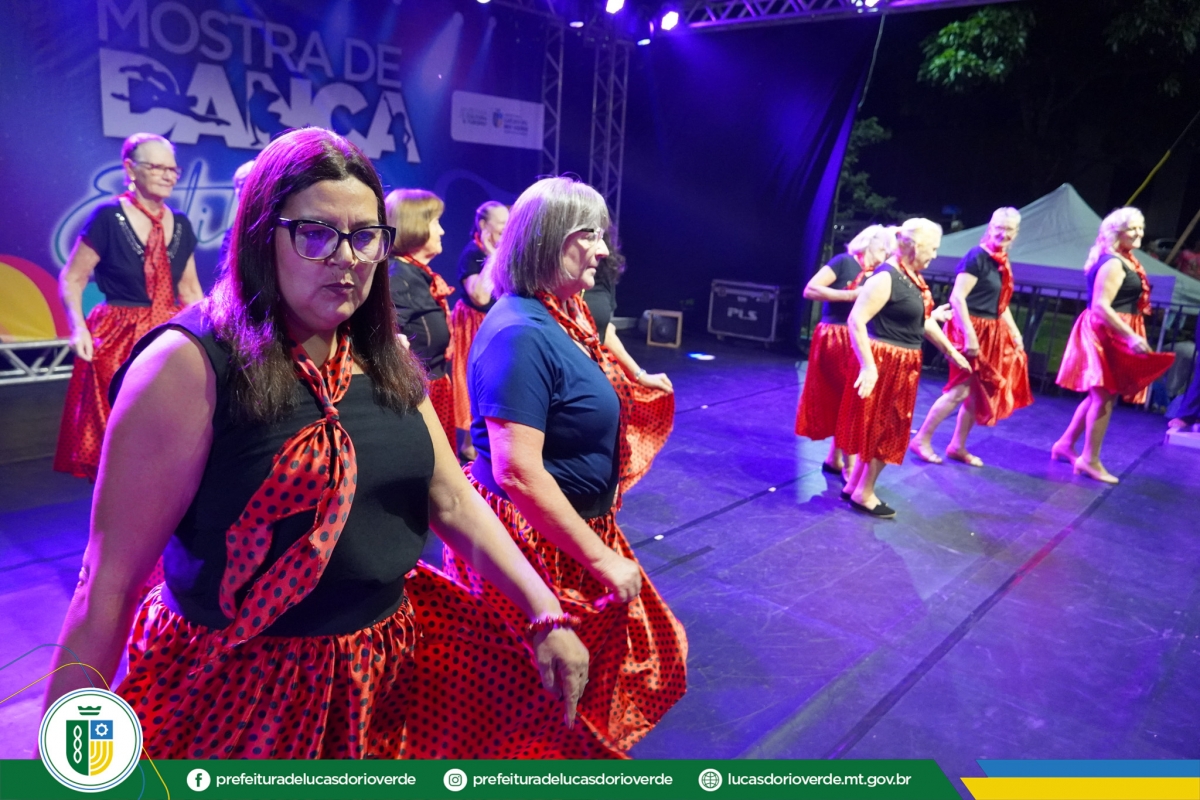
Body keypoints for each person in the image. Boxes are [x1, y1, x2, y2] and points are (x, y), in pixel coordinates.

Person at [39, 129, 592, 760]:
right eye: (316, 234)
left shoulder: (385, 356)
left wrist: (544, 611)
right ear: (261, 236)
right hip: (242, 700)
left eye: (365, 236)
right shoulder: (185, 365)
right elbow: (107, 583)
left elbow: (453, 499)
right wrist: (63, 761)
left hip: (382, 685)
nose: (347, 258)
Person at [444, 176, 688, 754]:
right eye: (590, 237)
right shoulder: (520, 332)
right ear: (550, 241)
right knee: (533, 712)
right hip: (534, 545)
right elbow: (517, 472)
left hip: (565, 534)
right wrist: (601, 557)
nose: (602, 251)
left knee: (575, 703)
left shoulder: (561, 316)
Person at [54, 133, 203, 480]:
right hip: (117, 337)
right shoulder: (108, 216)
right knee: (115, 438)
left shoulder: (181, 223)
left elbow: (190, 289)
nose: (168, 175)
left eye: (173, 169)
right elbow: (73, 277)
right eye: (157, 167)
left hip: (165, 336)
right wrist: (78, 327)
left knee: (168, 434)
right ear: (130, 169)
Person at [837, 218, 971, 518]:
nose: (935, 255)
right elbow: (856, 320)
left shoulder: (911, 278)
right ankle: (864, 493)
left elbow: (923, 321)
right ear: (914, 246)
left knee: (883, 429)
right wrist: (869, 366)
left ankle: (856, 486)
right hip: (887, 361)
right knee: (886, 431)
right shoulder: (886, 278)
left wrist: (950, 350)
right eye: (932, 248)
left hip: (903, 362)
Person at [1052, 207, 1175, 483]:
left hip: (1113, 329)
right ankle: (1089, 460)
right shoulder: (1113, 263)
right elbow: (1101, 306)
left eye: (1141, 227)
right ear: (1116, 232)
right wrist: (1130, 336)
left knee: (1100, 395)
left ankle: (1065, 444)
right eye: (1133, 228)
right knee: (1104, 396)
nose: (1139, 233)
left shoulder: (1123, 260)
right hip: (1106, 331)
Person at [909, 208, 1033, 466]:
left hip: (991, 329)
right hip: (970, 327)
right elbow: (957, 297)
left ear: (1016, 233)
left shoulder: (1001, 260)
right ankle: (921, 439)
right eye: (999, 228)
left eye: (1009, 230)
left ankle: (957, 445)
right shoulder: (977, 256)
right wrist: (970, 335)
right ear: (990, 227)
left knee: (974, 393)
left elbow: (1000, 304)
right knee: (959, 389)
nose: (1003, 234)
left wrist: (1014, 331)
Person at [796, 225, 896, 483]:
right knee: (847, 399)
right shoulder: (844, 262)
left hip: (861, 338)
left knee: (849, 399)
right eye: (883, 246)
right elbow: (811, 289)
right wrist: (851, 295)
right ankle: (848, 464)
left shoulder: (880, 274)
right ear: (869, 242)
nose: (886, 252)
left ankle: (835, 458)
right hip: (836, 336)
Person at [584, 229, 674, 492]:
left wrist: (640, 375)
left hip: (595, 376)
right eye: (589, 235)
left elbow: (606, 330)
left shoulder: (601, 272)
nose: (601, 249)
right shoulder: (549, 283)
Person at [386, 189, 456, 449]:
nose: (442, 231)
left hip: (435, 392)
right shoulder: (398, 277)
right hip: (416, 400)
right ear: (414, 224)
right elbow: (390, 343)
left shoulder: (415, 274)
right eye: (436, 222)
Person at [451, 200, 509, 461]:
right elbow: (481, 296)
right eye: (501, 224)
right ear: (484, 225)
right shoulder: (473, 253)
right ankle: (469, 444)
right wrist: (491, 255)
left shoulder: (502, 251)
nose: (506, 229)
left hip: (494, 323)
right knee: (472, 379)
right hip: (472, 323)